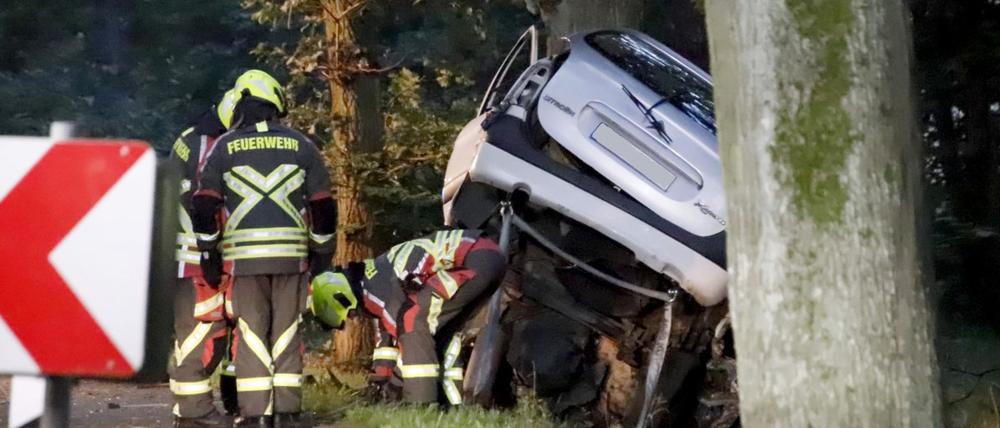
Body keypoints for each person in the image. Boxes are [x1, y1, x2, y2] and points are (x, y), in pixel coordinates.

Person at [193, 69, 335, 428]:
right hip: (291, 259)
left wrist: (210, 254)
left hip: (243, 262)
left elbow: (204, 206)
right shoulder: (302, 145)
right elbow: (323, 207)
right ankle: (287, 413)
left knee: (252, 332)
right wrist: (322, 255)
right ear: (274, 104)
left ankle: (256, 415)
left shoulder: (224, 146)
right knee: (286, 332)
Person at [310, 229, 506, 406]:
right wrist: (378, 382)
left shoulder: (377, 289)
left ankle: (420, 404)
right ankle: (454, 406)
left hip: (473, 258)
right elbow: (387, 338)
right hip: (488, 257)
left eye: (350, 313)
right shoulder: (375, 278)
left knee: (413, 319)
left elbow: (406, 333)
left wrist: (394, 385)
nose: (354, 316)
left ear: (341, 297)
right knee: (443, 335)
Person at [169, 88, 242, 428]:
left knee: (199, 336)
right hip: (196, 259)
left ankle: (189, 412)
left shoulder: (190, 138)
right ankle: (195, 415)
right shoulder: (206, 146)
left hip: (187, 255)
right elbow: (208, 203)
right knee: (201, 336)